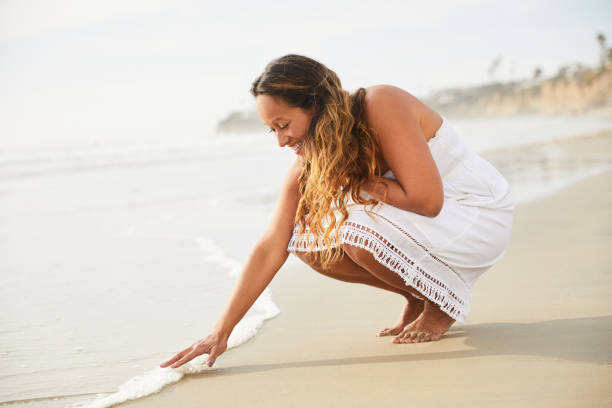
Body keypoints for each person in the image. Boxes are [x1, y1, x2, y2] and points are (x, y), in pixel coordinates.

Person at [160, 54, 514, 369]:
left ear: (317, 105)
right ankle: (417, 293)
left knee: (355, 226)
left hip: (475, 213)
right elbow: (272, 245)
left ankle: (441, 305)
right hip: (431, 225)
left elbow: (427, 201)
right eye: (272, 130)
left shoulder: (381, 103)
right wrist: (221, 332)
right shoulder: (313, 159)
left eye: (283, 125)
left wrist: (357, 182)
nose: (281, 141)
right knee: (305, 238)